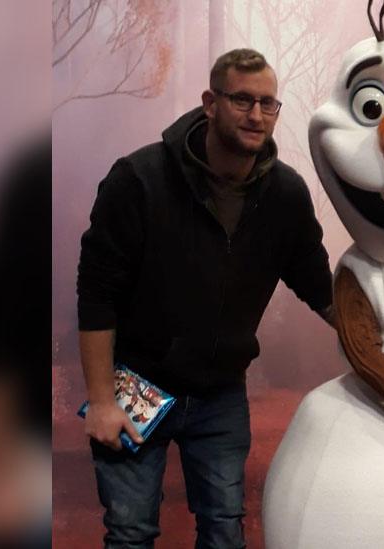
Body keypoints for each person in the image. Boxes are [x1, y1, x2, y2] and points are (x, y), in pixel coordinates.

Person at [77, 48, 334, 548]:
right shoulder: (139, 179)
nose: (257, 115)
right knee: (130, 532)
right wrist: (103, 400)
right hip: (137, 386)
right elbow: (96, 294)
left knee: (223, 531)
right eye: (241, 100)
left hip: (220, 393)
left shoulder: (284, 193)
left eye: (268, 103)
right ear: (210, 102)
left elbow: (318, 287)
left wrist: (380, 340)